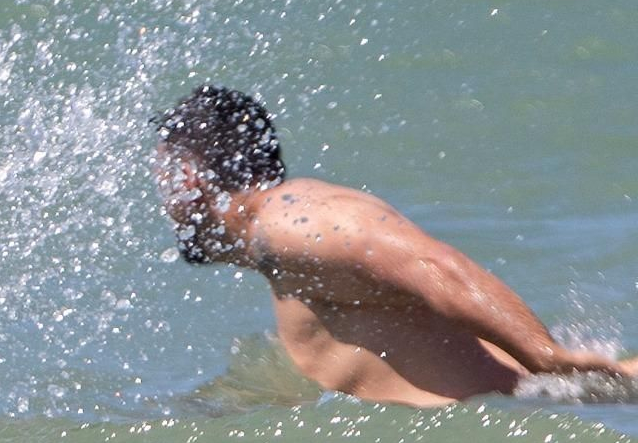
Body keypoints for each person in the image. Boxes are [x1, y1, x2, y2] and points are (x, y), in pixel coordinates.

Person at [151, 85, 638, 407]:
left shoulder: (292, 222)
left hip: (529, 417)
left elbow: (434, 264)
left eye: (163, 178)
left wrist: (547, 357)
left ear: (188, 178)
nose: (164, 200)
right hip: (537, 408)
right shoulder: (280, 249)